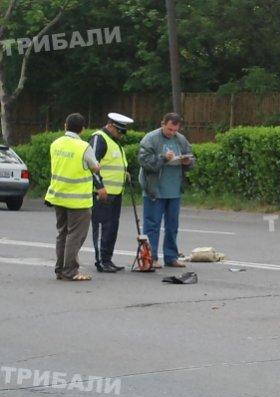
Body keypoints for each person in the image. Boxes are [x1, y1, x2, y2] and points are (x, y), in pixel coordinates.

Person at [45, 113, 101, 281]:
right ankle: (70, 270)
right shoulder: (83, 146)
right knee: (75, 235)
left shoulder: (55, 144)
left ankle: (60, 269)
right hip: (78, 199)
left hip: (58, 195)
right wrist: (97, 166)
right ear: (83, 129)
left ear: (65, 125)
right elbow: (95, 167)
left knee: (62, 233)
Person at [138, 112, 193, 268]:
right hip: (155, 190)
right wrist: (163, 158)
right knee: (152, 225)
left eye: (175, 130)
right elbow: (144, 161)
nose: (172, 133)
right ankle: (151, 257)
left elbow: (191, 158)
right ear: (163, 124)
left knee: (172, 226)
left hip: (174, 190)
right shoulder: (150, 139)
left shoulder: (181, 140)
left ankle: (171, 257)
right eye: (169, 129)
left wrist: (187, 162)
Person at [89, 113, 134, 273]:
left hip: (115, 193)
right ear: (111, 125)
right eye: (120, 131)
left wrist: (125, 173)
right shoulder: (99, 138)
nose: (121, 134)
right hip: (103, 193)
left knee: (112, 227)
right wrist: (99, 186)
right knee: (102, 227)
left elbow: (112, 163)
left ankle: (108, 259)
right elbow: (91, 164)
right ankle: (101, 261)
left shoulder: (114, 141)